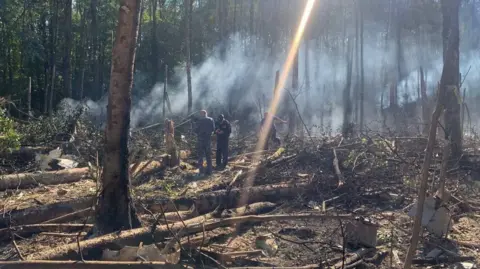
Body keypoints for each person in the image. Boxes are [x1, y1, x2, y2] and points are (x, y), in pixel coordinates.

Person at [195, 110, 215, 175]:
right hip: (208, 140)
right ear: (206, 113)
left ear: (201, 114)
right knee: (208, 155)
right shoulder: (211, 120)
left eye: (200, 113)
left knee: (200, 155)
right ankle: (209, 171)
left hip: (201, 140)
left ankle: (201, 171)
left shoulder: (199, 121)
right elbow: (213, 129)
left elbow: (195, 130)